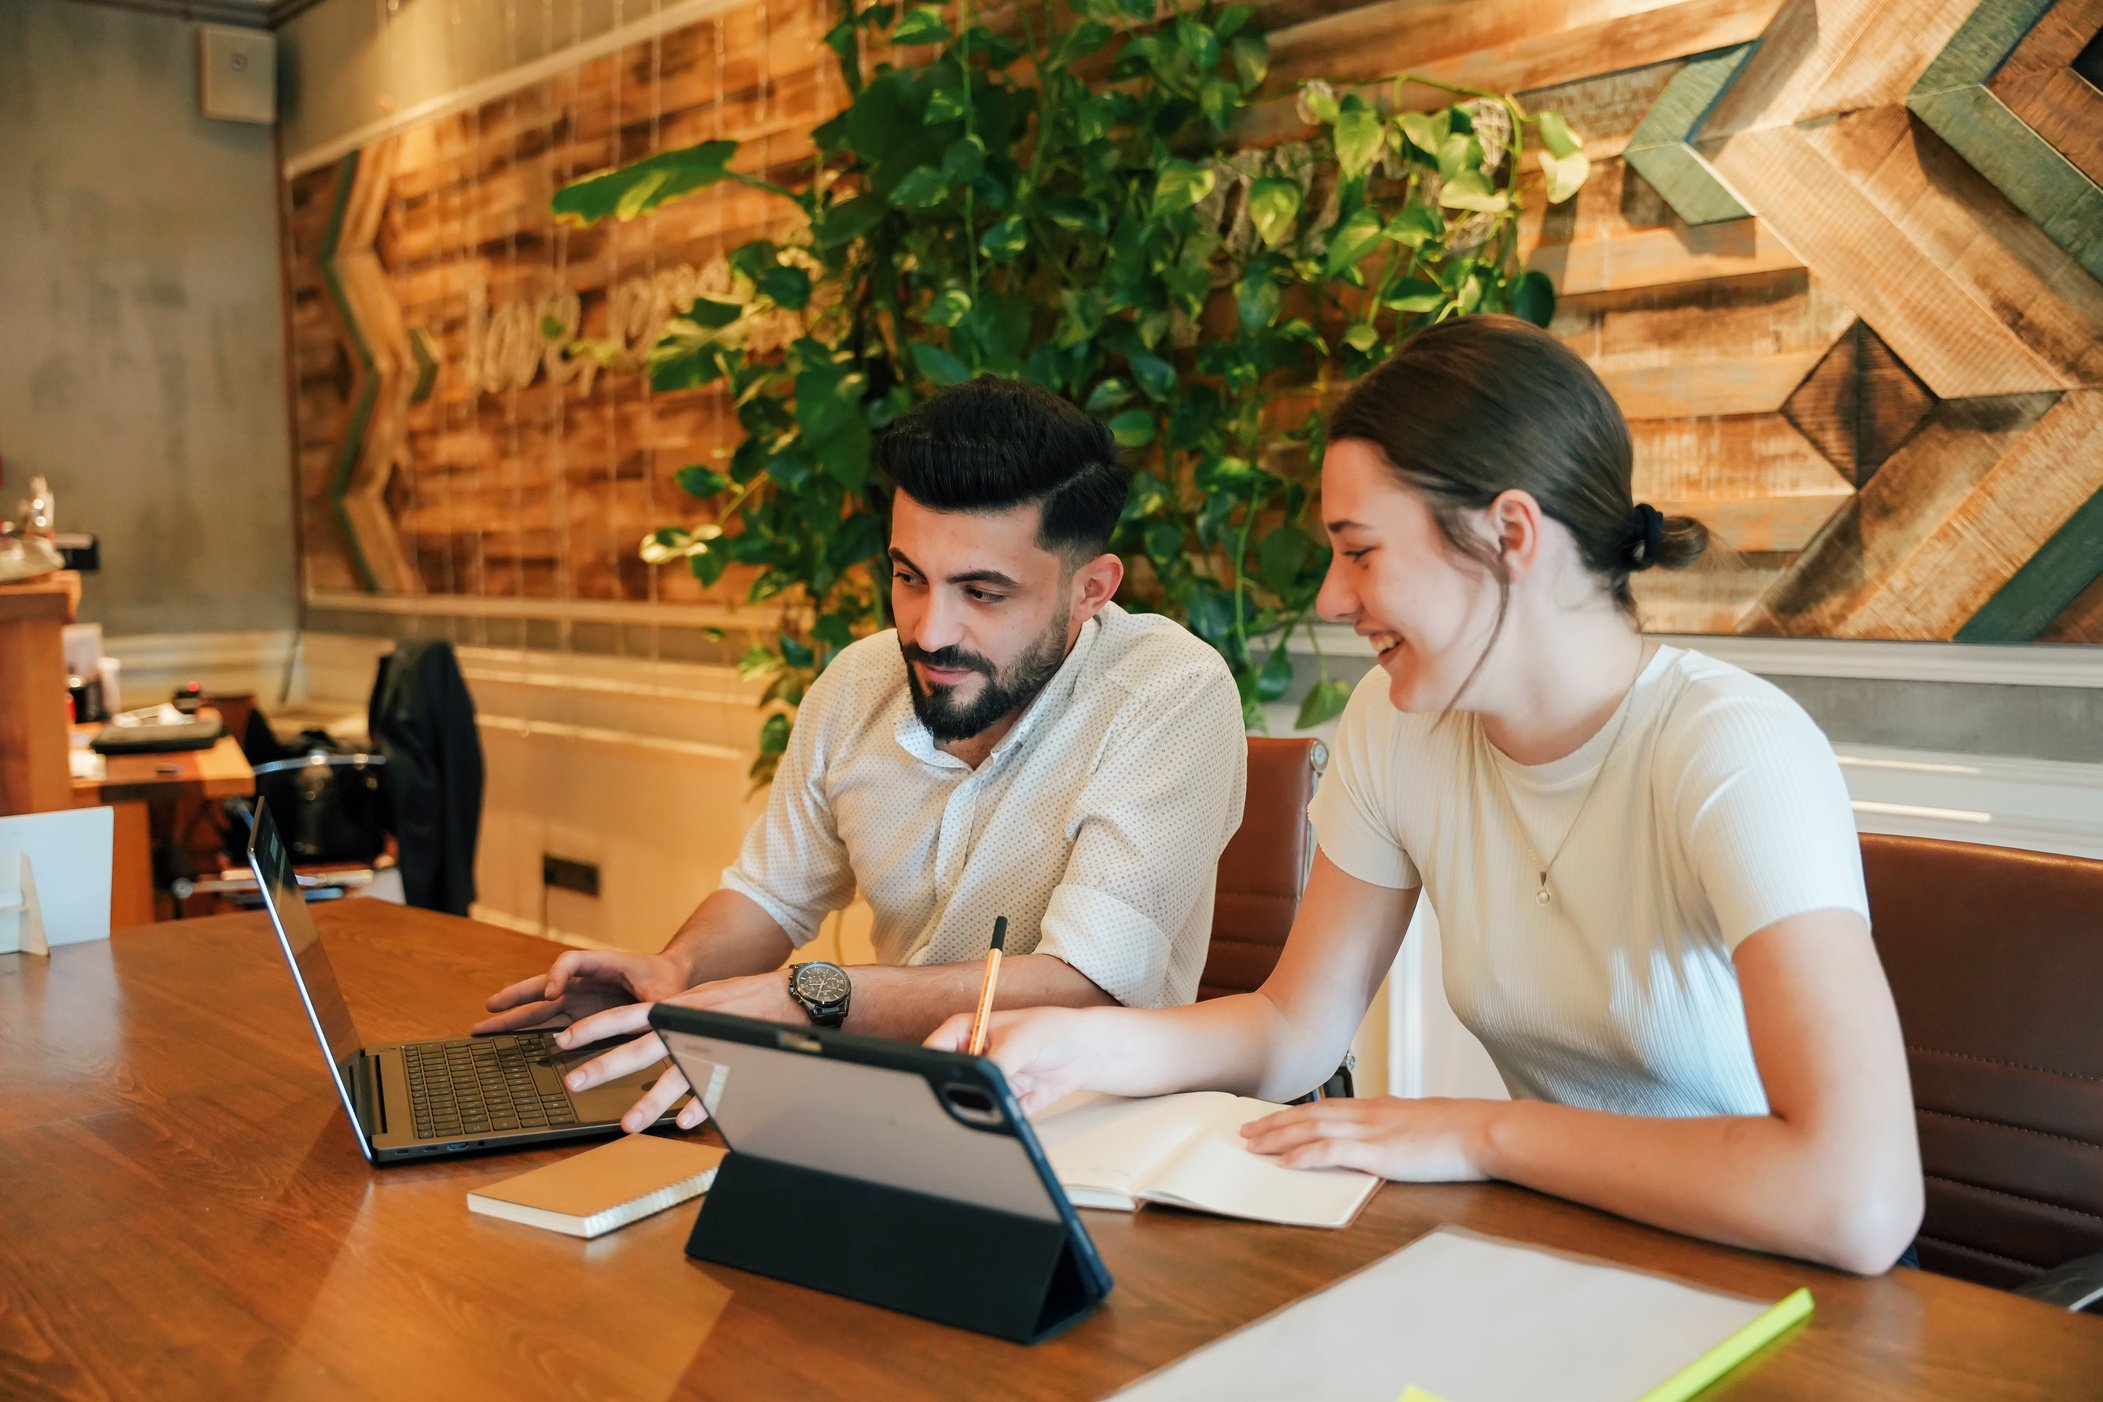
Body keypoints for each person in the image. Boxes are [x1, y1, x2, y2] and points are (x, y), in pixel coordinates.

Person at [932, 316, 1924, 1275]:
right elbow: (1291, 1032)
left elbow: (1859, 1197)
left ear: (1510, 534)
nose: (1328, 597)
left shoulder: (1734, 750)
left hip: (1781, 1288)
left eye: (1360, 551)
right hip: (1572, 1261)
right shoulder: (1399, 727)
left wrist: (1482, 1132)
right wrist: (1072, 1043)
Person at [478, 376, 1247, 1133]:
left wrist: (814, 997)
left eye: (982, 593)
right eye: (908, 578)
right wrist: (679, 970)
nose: (929, 631)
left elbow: (1087, 986)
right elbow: (772, 896)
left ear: (1090, 589)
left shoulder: (1168, 693)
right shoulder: (859, 682)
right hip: (883, 1108)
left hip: (1091, 1128)